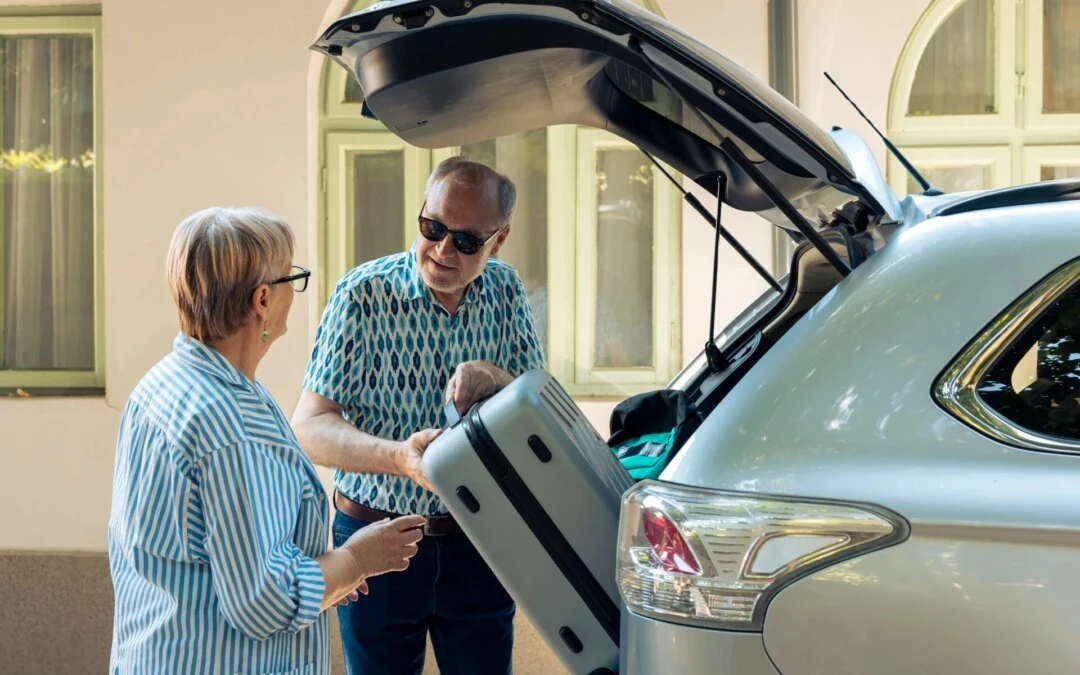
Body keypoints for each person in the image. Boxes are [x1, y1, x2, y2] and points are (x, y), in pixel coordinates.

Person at [107, 206, 426, 675]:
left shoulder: (165, 385)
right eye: (291, 279)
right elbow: (263, 602)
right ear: (262, 300)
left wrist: (330, 572)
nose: (293, 294)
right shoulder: (228, 426)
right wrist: (359, 558)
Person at [292, 157, 546, 675]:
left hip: (480, 539)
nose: (443, 249)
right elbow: (310, 427)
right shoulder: (362, 295)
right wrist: (400, 459)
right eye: (433, 228)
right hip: (375, 540)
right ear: (421, 215)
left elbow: (535, 406)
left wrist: (496, 380)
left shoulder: (505, 291)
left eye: (466, 240)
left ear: (498, 240)